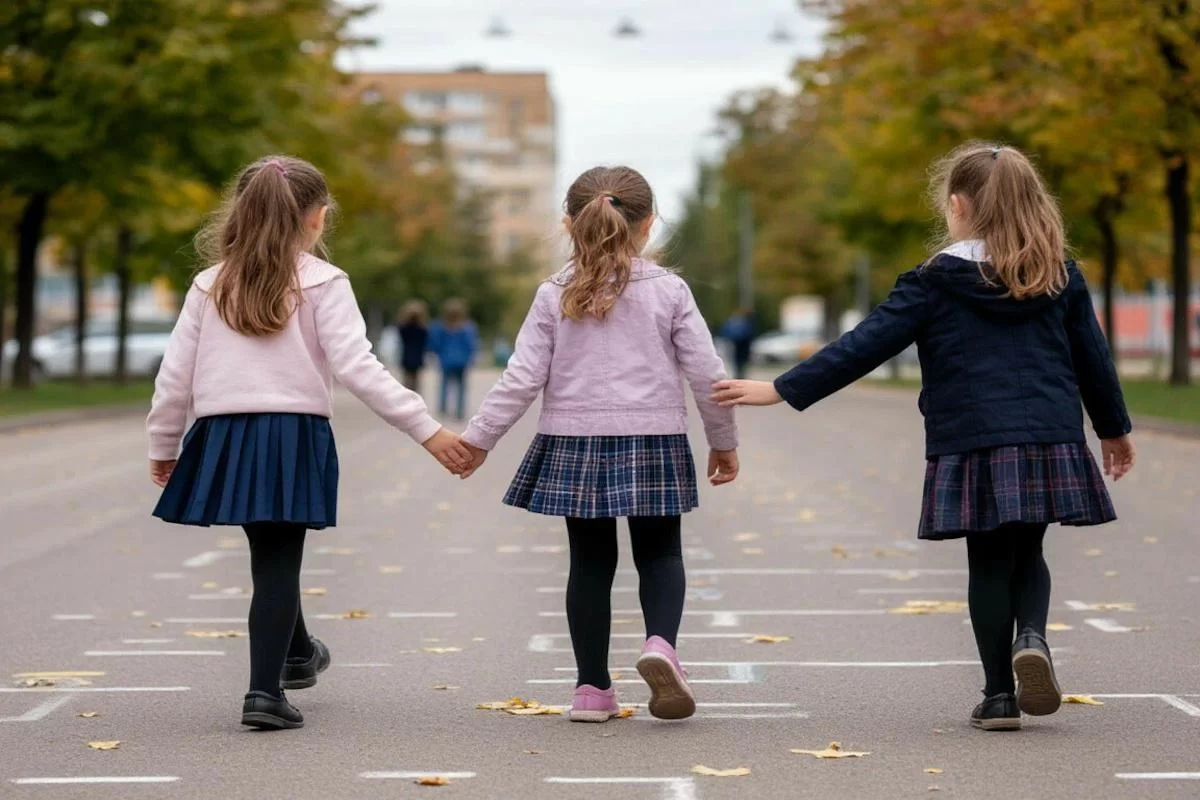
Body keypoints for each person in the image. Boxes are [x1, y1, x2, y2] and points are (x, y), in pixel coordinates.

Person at [713, 143, 1136, 732]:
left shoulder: (934, 281)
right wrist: (1113, 430)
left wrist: (782, 388)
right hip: (1047, 432)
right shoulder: (1058, 275)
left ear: (957, 206)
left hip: (971, 437)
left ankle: (998, 698)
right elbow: (1093, 357)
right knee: (1029, 551)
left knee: (987, 560)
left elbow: (865, 344)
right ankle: (1032, 637)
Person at [145, 155, 471, 731]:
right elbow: (359, 367)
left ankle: (298, 654)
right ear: (317, 219)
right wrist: (427, 428)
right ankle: (263, 693)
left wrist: (164, 442)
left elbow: (175, 375)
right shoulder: (325, 281)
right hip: (291, 433)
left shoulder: (208, 283)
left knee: (268, 554)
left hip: (224, 432)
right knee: (277, 561)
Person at [457, 166, 740, 722]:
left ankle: (591, 690)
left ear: (569, 224)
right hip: (653, 436)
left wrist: (477, 440)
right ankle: (660, 645)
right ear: (649, 225)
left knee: (589, 563)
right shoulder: (670, 291)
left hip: (574, 440)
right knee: (661, 552)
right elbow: (708, 373)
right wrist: (722, 441)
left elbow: (522, 376)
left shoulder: (553, 292)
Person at [428, 298, 477, 420]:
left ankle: (443, 408)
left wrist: (437, 353)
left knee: (444, 385)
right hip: (462, 361)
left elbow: (435, 344)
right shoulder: (468, 327)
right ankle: (459, 411)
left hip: (446, 360)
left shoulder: (440, 326)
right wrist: (471, 357)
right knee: (461, 387)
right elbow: (471, 344)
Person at [396, 301, 429, 392]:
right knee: (416, 381)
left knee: (407, 380)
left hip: (406, 356)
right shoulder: (422, 329)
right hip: (417, 357)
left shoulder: (404, 328)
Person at [720, 308, 756, 379]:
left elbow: (725, 333)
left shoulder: (734, 323)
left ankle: (739, 374)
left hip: (738, 345)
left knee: (738, 362)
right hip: (741, 346)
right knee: (740, 362)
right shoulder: (746, 323)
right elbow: (750, 334)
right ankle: (740, 374)